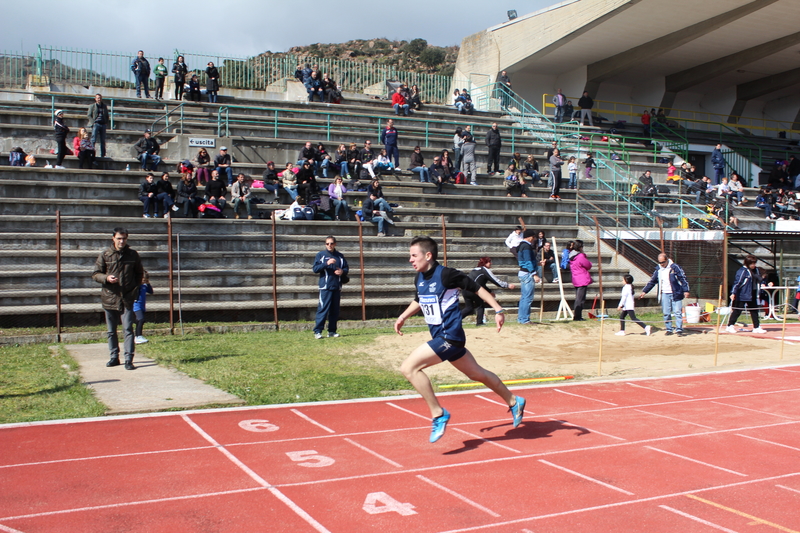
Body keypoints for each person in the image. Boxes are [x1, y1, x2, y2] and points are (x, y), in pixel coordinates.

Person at [395, 236, 526, 443]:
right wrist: (403, 317)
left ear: (428, 255)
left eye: (414, 255)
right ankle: (513, 400)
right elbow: (419, 300)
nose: (410, 260)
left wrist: (498, 309)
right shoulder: (419, 277)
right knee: (478, 374)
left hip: (450, 337)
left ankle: (438, 413)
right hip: (442, 338)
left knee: (409, 368)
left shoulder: (446, 274)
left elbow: (477, 288)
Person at [92, 227, 143, 370]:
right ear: (113, 238)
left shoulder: (133, 255)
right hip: (109, 297)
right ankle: (114, 357)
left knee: (128, 329)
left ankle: (128, 359)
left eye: (124, 238)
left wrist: (135, 289)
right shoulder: (105, 255)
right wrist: (106, 278)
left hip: (126, 298)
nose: (122, 241)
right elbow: (96, 274)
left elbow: (139, 273)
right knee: (111, 330)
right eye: (119, 238)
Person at [639, 253, 690, 336]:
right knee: (666, 313)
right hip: (664, 293)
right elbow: (652, 281)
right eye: (660, 262)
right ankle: (669, 329)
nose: (662, 264)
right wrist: (645, 291)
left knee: (677, 312)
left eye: (663, 262)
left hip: (676, 293)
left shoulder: (674, 267)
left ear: (667, 260)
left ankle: (679, 329)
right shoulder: (658, 270)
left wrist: (686, 290)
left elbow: (683, 279)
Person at [312, 236, 349, 339]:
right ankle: (318, 331)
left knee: (335, 311)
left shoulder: (340, 256)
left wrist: (342, 272)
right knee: (323, 309)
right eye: (327, 243)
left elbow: (346, 268)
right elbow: (315, 269)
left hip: (336, 286)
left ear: (335, 244)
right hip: (325, 287)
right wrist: (326, 263)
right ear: (325, 244)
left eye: (331, 243)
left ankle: (332, 331)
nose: (329, 245)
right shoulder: (321, 255)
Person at [461, 257, 515, 326]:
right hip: (473, 290)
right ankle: (479, 323)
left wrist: (489, 291)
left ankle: (454, 320)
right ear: (485, 263)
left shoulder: (475, 270)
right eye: (489, 262)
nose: (491, 264)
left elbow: (480, 284)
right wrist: (507, 285)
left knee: (469, 308)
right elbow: (495, 281)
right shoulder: (484, 270)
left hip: (465, 290)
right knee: (480, 305)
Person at [725, 255, 767, 334]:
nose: (753, 265)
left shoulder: (756, 270)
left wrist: (763, 283)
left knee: (754, 310)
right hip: (743, 293)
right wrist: (733, 292)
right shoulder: (742, 271)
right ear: (747, 263)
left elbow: (759, 279)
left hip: (753, 293)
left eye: (754, 263)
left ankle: (756, 327)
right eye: (752, 263)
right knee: (737, 310)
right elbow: (737, 282)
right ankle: (730, 326)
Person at [517, 229, 542, 324]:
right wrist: (534, 274)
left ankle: (521, 318)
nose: (534, 239)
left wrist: (538, 263)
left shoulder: (521, 246)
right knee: (527, 298)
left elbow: (525, 261)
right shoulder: (526, 246)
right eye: (534, 237)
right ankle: (524, 319)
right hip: (527, 273)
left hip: (523, 272)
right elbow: (527, 261)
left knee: (524, 297)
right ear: (531, 237)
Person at [568, 240, 593, 321]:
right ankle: (577, 316)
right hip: (582, 279)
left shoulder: (572, 256)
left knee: (579, 298)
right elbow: (588, 265)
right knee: (580, 299)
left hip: (576, 278)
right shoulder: (580, 256)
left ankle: (577, 316)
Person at [133, 271, 153, 345]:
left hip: (142, 306)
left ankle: (138, 336)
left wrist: (148, 284)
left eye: (145, 280)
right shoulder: (136, 286)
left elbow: (151, 291)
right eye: (143, 280)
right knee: (141, 319)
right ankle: (138, 336)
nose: (144, 281)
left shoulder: (144, 286)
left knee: (139, 321)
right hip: (136, 305)